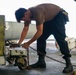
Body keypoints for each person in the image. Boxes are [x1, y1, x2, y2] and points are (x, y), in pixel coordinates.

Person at [14, 3, 73, 73]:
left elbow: (39, 32)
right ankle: (41, 62)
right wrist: (19, 43)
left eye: (23, 19)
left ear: (26, 14)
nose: (25, 21)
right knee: (41, 38)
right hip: (49, 20)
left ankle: (69, 63)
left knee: (60, 39)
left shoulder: (37, 12)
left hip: (58, 16)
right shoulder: (28, 16)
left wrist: (28, 43)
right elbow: (25, 29)